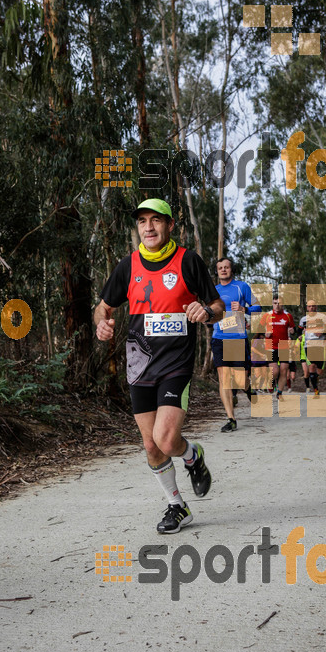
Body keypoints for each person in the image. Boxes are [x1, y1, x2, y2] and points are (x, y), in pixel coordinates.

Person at [94, 198, 224, 534]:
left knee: (166, 439)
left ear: (169, 225)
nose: (148, 227)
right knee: (150, 445)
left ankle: (191, 454)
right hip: (139, 364)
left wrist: (206, 312)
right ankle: (176, 506)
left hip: (175, 364)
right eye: (142, 222)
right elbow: (103, 307)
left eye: (156, 220)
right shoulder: (128, 266)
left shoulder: (187, 261)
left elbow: (218, 305)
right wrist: (101, 323)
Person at [211, 257, 259, 432]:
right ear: (217, 271)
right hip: (219, 338)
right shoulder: (213, 291)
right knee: (224, 379)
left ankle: (248, 388)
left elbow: (257, 307)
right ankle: (231, 419)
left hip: (237, 338)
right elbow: (209, 315)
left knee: (239, 379)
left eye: (226, 267)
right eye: (220, 268)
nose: (223, 270)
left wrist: (244, 309)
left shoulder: (242, 287)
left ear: (232, 270)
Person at [297, 299, 326, 396]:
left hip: (320, 344)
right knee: (312, 366)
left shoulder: (323, 317)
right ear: (307, 308)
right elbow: (298, 330)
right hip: (309, 345)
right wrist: (299, 336)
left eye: (313, 306)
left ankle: (314, 378)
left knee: (320, 370)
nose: (311, 308)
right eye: (309, 306)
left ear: (316, 307)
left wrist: (322, 332)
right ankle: (316, 390)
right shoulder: (304, 319)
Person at [263, 295, 295, 404]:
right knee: (275, 371)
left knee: (284, 370)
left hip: (284, 346)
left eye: (279, 303)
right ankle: (271, 382)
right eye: (275, 303)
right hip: (270, 346)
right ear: (272, 304)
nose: (277, 305)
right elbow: (261, 329)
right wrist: (265, 334)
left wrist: (292, 331)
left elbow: (292, 329)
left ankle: (280, 393)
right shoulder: (267, 315)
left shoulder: (288, 316)